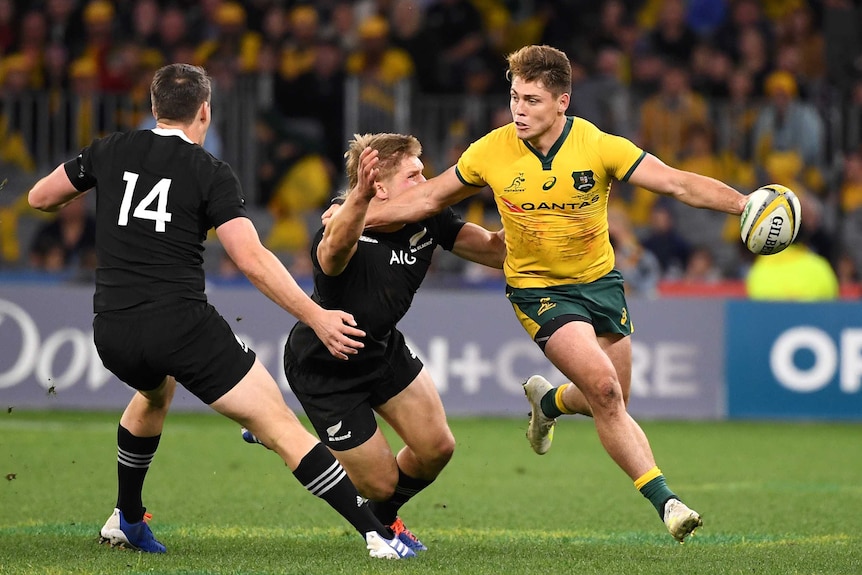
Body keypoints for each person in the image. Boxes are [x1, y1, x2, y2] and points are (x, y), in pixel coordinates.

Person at [362, 44, 751, 543]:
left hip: (601, 284)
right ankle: (667, 502)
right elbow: (428, 199)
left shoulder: (599, 146)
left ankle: (549, 405)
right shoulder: (489, 152)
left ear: (562, 102)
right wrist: (350, 219)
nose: (518, 111)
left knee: (613, 400)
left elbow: (675, 184)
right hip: (537, 290)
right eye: (514, 98)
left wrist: (743, 204)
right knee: (606, 391)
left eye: (531, 100)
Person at [27, 63, 415, 560]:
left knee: (152, 393)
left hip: (113, 330)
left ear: (154, 108)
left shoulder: (110, 149)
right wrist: (316, 315)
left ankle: (127, 516)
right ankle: (376, 535)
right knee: (279, 424)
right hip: (181, 326)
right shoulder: (209, 171)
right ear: (205, 110)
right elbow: (251, 259)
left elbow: (40, 198)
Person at [243, 132, 506, 551]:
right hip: (326, 366)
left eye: (423, 171)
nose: (425, 181)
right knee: (381, 484)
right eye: (412, 174)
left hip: (382, 350)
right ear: (377, 186)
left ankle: (383, 522)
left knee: (437, 448)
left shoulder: (428, 217)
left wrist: (540, 223)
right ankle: (289, 434)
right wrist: (358, 201)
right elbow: (334, 249)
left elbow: (495, 251)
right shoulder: (340, 227)